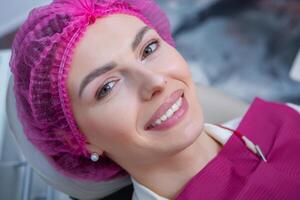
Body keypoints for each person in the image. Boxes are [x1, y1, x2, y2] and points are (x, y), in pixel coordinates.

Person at [8, 0, 300, 199]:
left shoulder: (281, 118)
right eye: (107, 87)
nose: (155, 82)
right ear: (76, 139)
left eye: (148, 49)